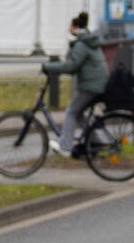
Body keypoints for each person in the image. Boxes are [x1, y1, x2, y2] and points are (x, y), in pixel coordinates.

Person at [42, 11, 108, 155]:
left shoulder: (81, 45)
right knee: (78, 113)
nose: (68, 30)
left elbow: (70, 66)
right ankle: (96, 140)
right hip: (97, 84)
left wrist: (48, 67)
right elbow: (74, 66)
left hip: (91, 85)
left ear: (75, 28)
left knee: (71, 111)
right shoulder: (88, 41)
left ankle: (65, 147)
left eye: (70, 27)